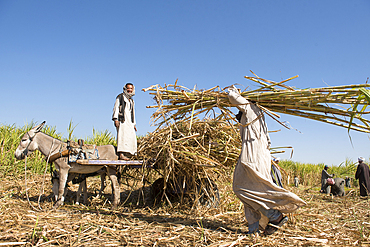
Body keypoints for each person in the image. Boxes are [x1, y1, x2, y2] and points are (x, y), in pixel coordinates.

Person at [227, 86, 306, 236]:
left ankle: (275, 216)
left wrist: (232, 90)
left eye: (238, 113)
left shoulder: (251, 109)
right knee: (253, 192)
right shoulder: (260, 117)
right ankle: (255, 229)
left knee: (241, 189)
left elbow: (233, 98)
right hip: (260, 157)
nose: (237, 116)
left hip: (252, 158)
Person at [112, 82, 137, 160]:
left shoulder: (131, 101)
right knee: (122, 136)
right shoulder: (120, 97)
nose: (129, 90)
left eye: (131, 88)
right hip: (122, 120)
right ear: (125, 89)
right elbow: (116, 108)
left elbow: (132, 113)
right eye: (128, 88)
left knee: (131, 136)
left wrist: (134, 124)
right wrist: (116, 119)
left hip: (130, 122)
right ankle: (121, 154)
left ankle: (130, 154)